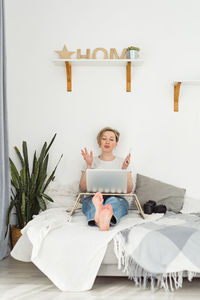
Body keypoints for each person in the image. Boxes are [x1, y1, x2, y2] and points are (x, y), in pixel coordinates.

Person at [80, 127, 133, 231]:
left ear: (116, 144)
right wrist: (89, 166)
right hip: (94, 197)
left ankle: (99, 218)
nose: (107, 142)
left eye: (111, 139)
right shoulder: (91, 161)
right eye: (104, 138)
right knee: (91, 203)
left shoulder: (123, 163)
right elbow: (83, 187)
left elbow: (129, 190)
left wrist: (124, 170)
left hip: (117, 198)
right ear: (99, 142)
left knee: (114, 202)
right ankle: (102, 219)